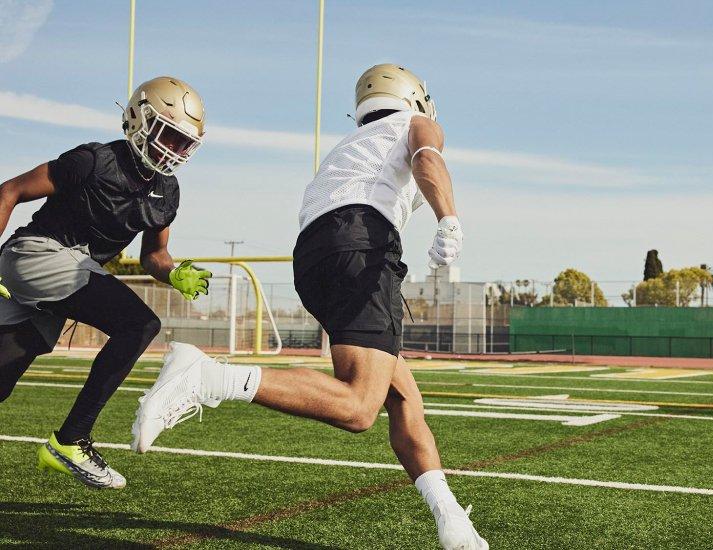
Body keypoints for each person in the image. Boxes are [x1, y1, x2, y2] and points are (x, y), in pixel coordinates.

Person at [133, 64, 487, 549]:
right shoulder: (413, 123)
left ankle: (452, 521)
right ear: (413, 98)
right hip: (363, 245)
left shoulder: (354, 145)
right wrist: (449, 219)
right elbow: (429, 160)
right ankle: (208, 375)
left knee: (403, 396)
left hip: (317, 255)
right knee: (360, 405)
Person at [0, 76, 212, 489]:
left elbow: (154, 255)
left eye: (183, 143)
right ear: (138, 119)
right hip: (36, 254)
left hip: (65, 277)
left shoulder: (167, 192)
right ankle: (71, 439)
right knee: (139, 323)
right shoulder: (93, 161)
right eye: (168, 135)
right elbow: (10, 190)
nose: (173, 150)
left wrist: (173, 272)